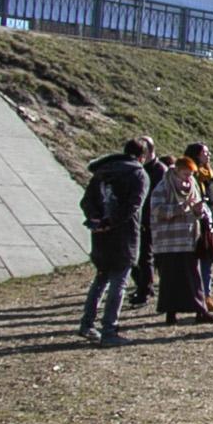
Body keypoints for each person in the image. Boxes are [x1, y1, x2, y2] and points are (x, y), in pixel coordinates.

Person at [78, 138, 149, 344]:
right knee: (119, 283)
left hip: (100, 234)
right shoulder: (138, 174)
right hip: (123, 236)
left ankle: (87, 324)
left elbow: (86, 201)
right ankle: (109, 330)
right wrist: (111, 222)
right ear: (141, 157)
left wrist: (96, 220)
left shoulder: (102, 172)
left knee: (100, 280)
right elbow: (133, 206)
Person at [149, 156, 213, 324]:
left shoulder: (192, 185)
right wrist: (183, 207)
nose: (188, 178)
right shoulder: (163, 187)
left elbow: (197, 207)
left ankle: (201, 311)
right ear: (177, 171)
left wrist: (199, 211)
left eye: (190, 174)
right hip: (168, 241)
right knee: (171, 278)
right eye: (185, 174)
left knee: (194, 276)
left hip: (189, 239)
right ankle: (170, 313)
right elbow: (157, 210)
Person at [188, 141, 213, 311]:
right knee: (195, 263)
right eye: (205, 153)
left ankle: (206, 296)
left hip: (208, 222)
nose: (208, 155)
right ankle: (196, 297)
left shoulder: (207, 174)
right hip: (194, 223)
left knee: (207, 259)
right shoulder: (192, 175)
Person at [127, 135, 161, 307]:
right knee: (136, 257)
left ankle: (144, 291)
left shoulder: (158, 170)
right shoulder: (138, 170)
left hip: (150, 219)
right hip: (138, 219)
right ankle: (144, 286)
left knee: (145, 257)